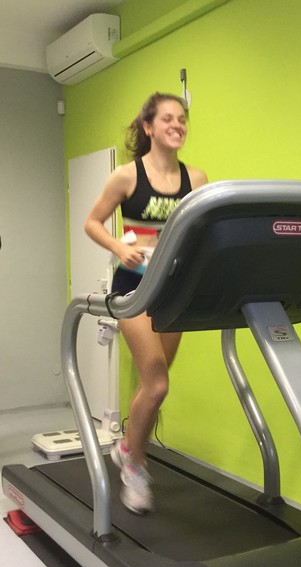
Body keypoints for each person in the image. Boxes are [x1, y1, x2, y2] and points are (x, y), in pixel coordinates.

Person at [84, 92, 208, 515]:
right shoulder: (127, 176)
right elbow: (92, 222)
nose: (177, 125)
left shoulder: (196, 179)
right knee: (157, 384)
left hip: (172, 291)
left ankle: (126, 447)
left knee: (151, 388)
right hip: (133, 289)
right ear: (149, 127)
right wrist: (120, 247)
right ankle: (135, 467)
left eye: (182, 119)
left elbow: (201, 232)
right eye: (168, 119)